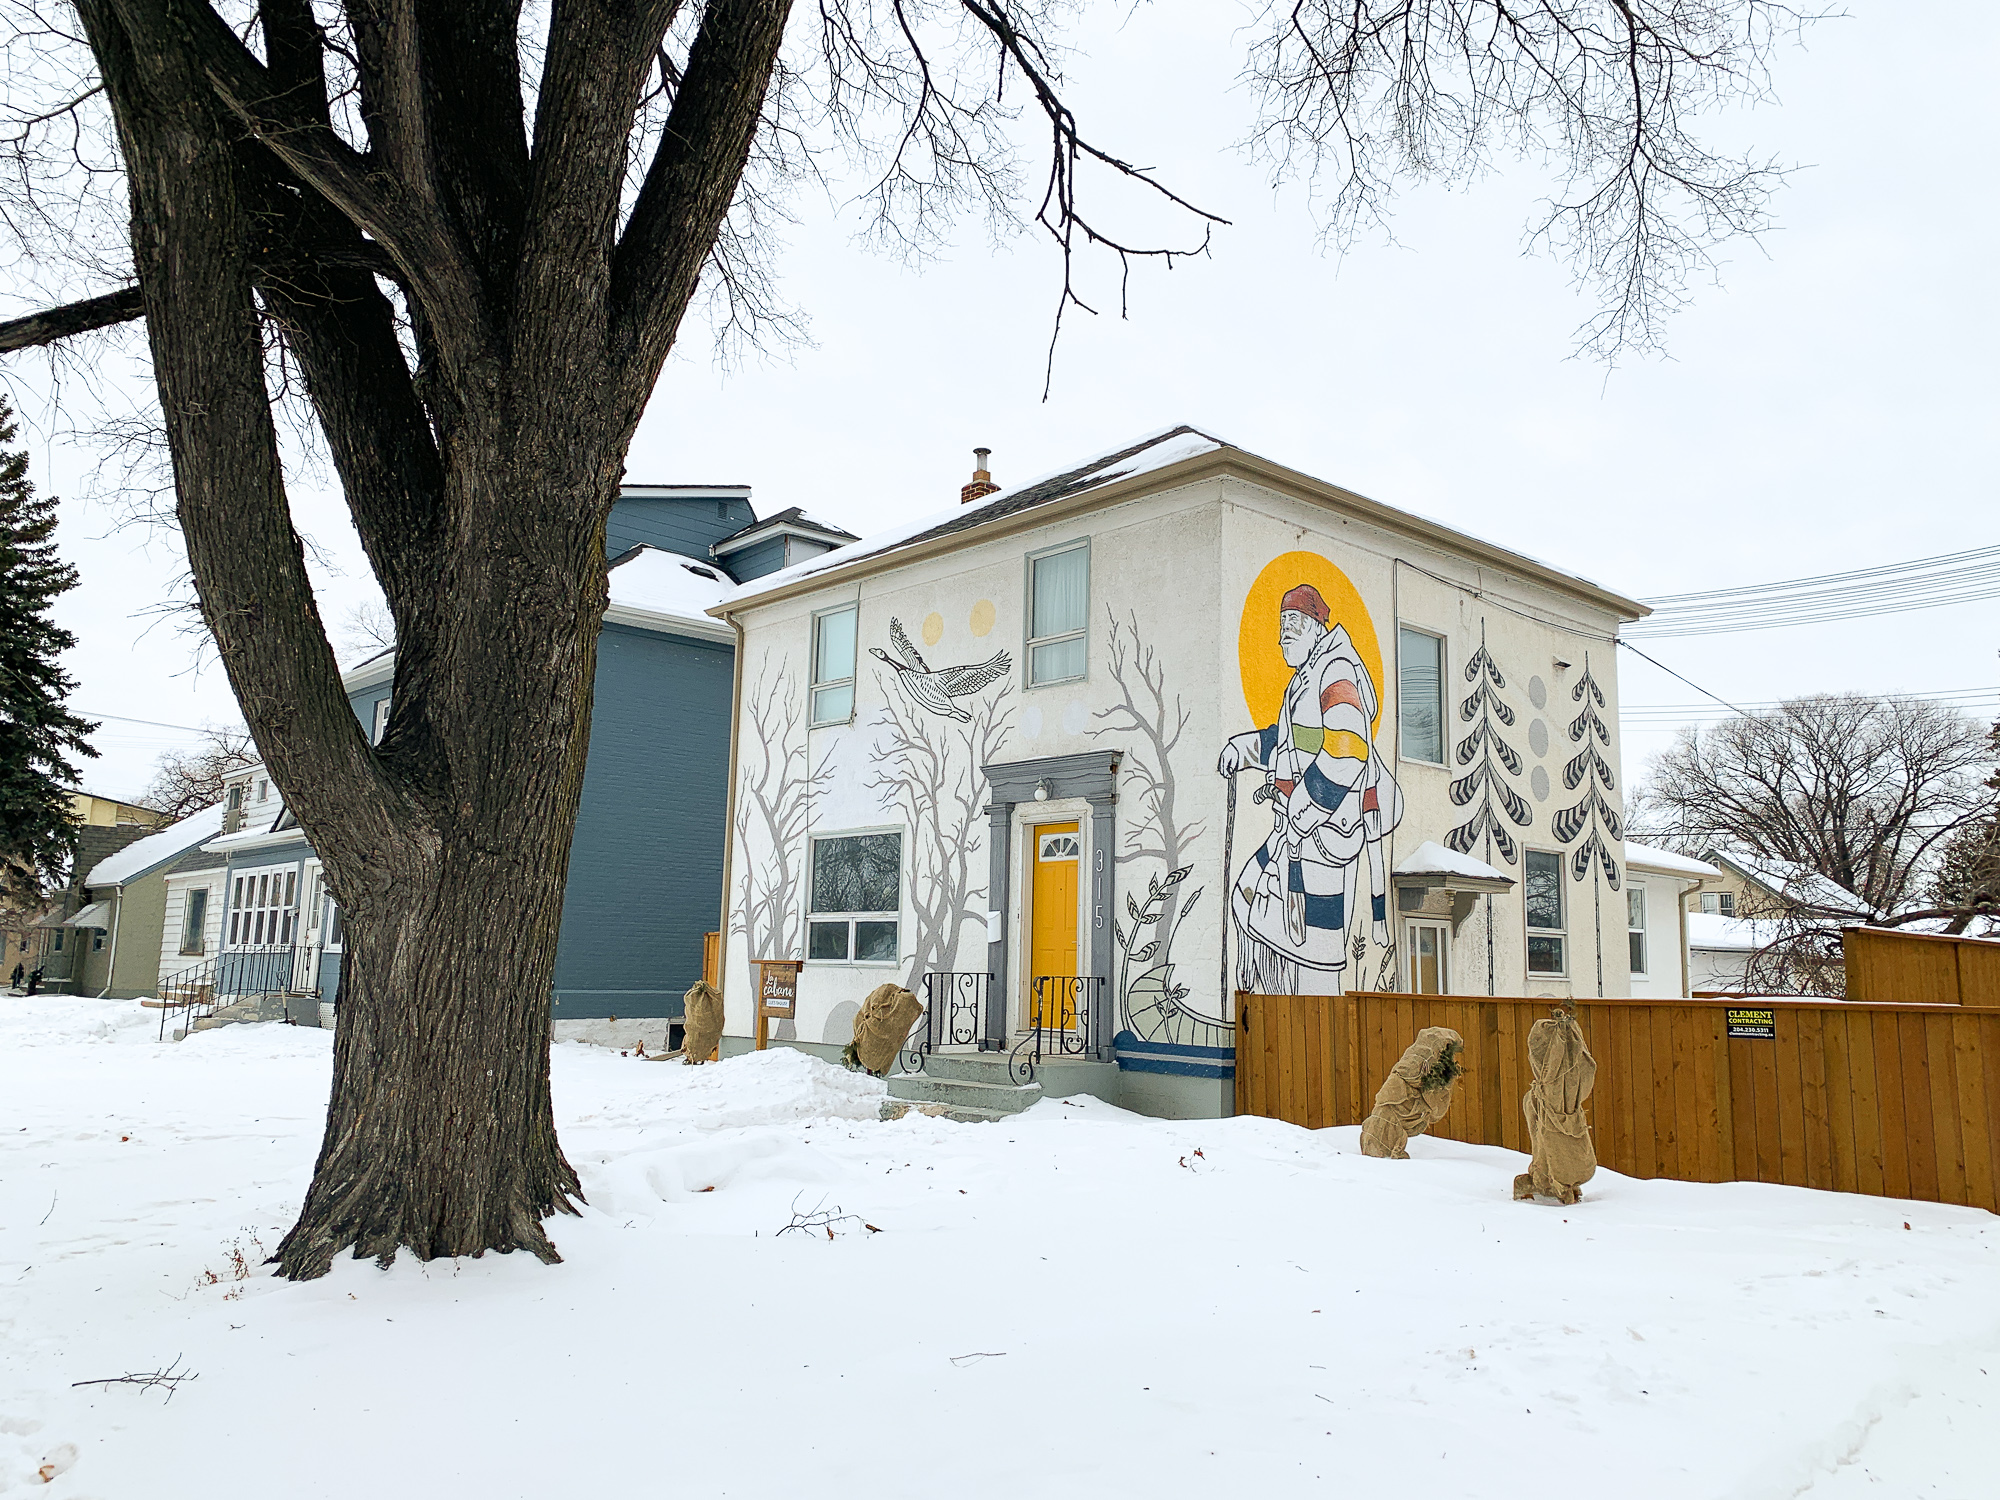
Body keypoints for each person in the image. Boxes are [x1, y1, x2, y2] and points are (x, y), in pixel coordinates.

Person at [1219, 583, 1402, 994]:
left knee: (1316, 953)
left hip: (1325, 836)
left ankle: (1315, 1038)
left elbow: (1348, 749)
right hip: (1295, 833)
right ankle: (1267, 1011)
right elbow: (1287, 742)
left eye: (1293, 623)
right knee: (1246, 898)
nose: (1284, 633)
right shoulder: (1306, 678)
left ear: (1318, 627)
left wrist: (1303, 811)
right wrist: (1241, 749)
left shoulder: (1335, 670)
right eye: (1281, 623)